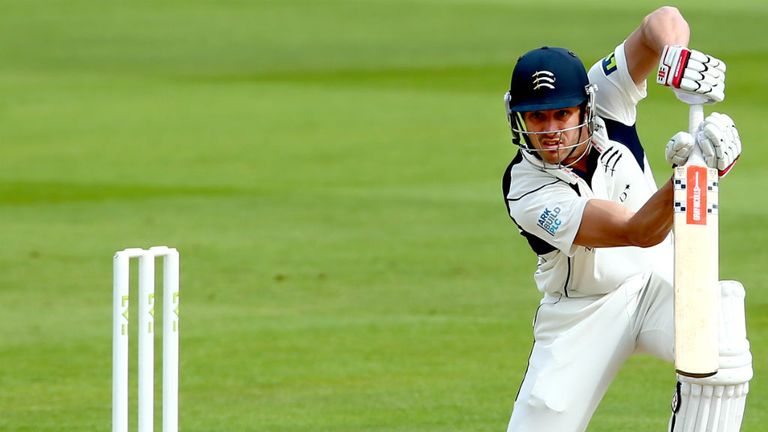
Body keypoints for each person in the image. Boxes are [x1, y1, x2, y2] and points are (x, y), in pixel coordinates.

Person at [501, 6, 750, 432]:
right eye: (537, 116)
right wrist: (695, 174)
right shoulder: (526, 189)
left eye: (562, 113)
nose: (550, 130)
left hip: (656, 282)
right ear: (519, 117)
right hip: (583, 312)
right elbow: (637, 230)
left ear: (585, 107)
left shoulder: (607, 101)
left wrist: (675, 57)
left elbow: (660, 20)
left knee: (720, 341)